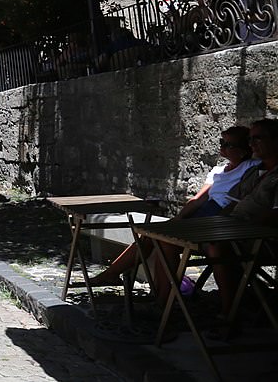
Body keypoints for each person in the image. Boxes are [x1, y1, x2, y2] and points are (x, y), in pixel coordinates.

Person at [93, 126, 258, 287]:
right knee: (152, 235)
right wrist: (178, 219)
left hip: (221, 215)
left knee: (163, 241)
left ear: (243, 151)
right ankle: (115, 275)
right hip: (205, 212)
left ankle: (157, 296)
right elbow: (198, 199)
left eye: (228, 145)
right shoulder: (218, 171)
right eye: (222, 142)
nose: (222, 147)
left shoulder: (250, 167)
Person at [209, 118, 278, 312]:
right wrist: (217, 223)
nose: (251, 144)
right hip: (235, 231)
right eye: (250, 139)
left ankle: (229, 312)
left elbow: (274, 216)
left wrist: (237, 230)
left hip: (261, 239)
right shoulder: (256, 171)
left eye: (258, 138)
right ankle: (165, 305)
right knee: (167, 241)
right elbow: (233, 203)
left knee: (217, 248)